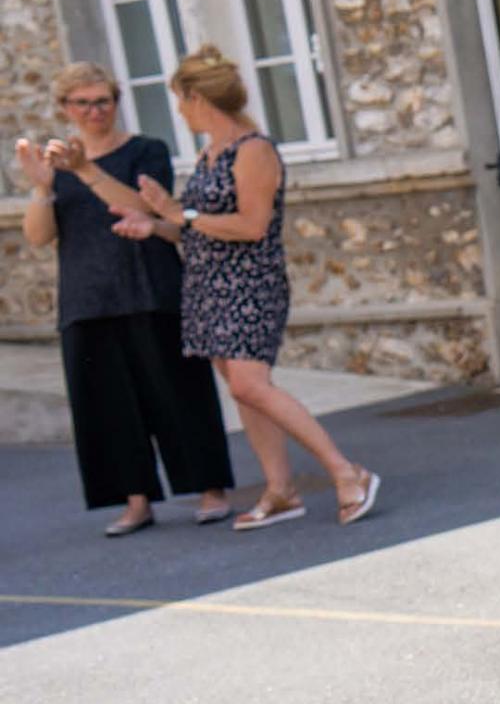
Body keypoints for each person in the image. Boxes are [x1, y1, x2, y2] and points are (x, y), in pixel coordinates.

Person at [99, 49, 378, 531]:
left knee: (251, 384)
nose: (180, 112)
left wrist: (177, 214)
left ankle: (347, 471)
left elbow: (251, 225)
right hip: (207, 284)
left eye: (181, 102)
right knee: (243, 393)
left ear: (197, 98)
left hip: (251, 283)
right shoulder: (209, 154)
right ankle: (281, 491)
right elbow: (197, 227)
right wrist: (156, 225)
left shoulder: (254, 150)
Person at [14, 63, 233, 534]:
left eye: (103, 100)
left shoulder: (145, 151)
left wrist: (85, 170)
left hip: (151, 289)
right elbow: (38, 236)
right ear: (65, 109)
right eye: (83, 103)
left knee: (181, 396)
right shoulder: (57, 167)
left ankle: (210, 489)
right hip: (87, 298)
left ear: (116, 102)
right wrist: (42, 188)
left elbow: (144, 208)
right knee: (109, 409)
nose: (95, 111)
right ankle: (136, 501)